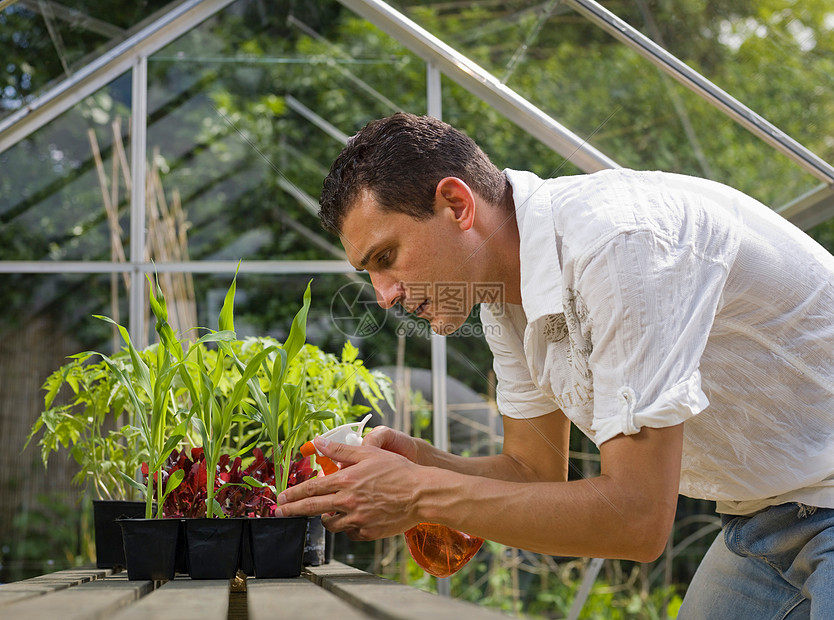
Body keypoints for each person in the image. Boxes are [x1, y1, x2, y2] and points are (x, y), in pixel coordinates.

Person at [276, 112, 834, 617]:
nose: (384, 295)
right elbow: (532, 473)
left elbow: (637, 520)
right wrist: (420, 463)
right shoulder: (503, 295)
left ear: (457, 204)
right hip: (767, 516)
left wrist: (418, 492)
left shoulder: (619, 247)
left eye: (386, 258)